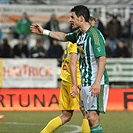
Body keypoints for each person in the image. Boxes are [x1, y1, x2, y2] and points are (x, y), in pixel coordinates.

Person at [30, 5, 109, 133]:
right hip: (85, 82)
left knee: (92, 117)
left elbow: (102, 59)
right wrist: (44, 32)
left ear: (81, 18)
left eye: (72, 17)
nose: (70, 20)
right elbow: (63, 36)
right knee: (89, 118)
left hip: (96, 82)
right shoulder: (79, 34)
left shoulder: (94, 35)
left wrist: (96, 82)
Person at [40, 41, 83, 133]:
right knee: (88, 114)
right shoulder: (77, 42)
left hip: (65, 79)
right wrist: (76, 84)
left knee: (66, 115)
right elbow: (72, 63)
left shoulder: (70, 42)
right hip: (74, 81)